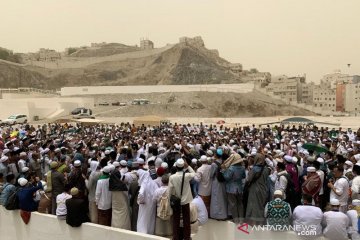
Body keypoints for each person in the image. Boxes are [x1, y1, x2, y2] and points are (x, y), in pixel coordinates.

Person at [168, 158, 196, 240]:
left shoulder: (172, 177)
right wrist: (188, 166)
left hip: (176, 201)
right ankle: (187, 237)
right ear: (183, 166)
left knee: (176, 219)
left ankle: (176, 237)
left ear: (176, 166)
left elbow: (170, 190)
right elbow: (194, 173)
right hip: (186, 201)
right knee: (186, 219)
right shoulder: (187, 175)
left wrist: (170, 200)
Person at [245, 154, 270, 225]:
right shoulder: (266, 169)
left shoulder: (254, 168)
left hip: (255, 189)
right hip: (263, 189)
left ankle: (254, 223)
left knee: (254, 206)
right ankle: (260, 222)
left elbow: (249, 179)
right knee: (260, 205)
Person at [221, 153, 246, 224]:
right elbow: (244, 176)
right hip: (240, 188)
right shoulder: (242, 168)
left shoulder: (231, 168)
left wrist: (223, 171)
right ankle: (241, 220)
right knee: (240, 204)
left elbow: (227, 177)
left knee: (233, 204)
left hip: (231, 189)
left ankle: (236, 220)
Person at [109, 161, 131, 230]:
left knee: (115, 215)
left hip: (115, 203)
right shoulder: (122, 185)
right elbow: (126, 195)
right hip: (122, 204)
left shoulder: (111, 183)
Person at [137, 168, 158, 234]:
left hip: (144, 205)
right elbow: (157, 193)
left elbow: (141, 193)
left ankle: (142, 233)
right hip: (152, 204)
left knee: (143, 218)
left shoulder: (144, 183)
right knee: (150, 219)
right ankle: (150, 233)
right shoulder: (153, 183)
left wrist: (141, 201)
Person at [209, 149, 228, 220]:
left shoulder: (214, 164)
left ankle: (217, 215)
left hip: (216, 182)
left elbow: (211, 175)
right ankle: (224, 214)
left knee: (216, 198)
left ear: (216, 155)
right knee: (223, 197)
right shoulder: (224, 162)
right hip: (223, 182)